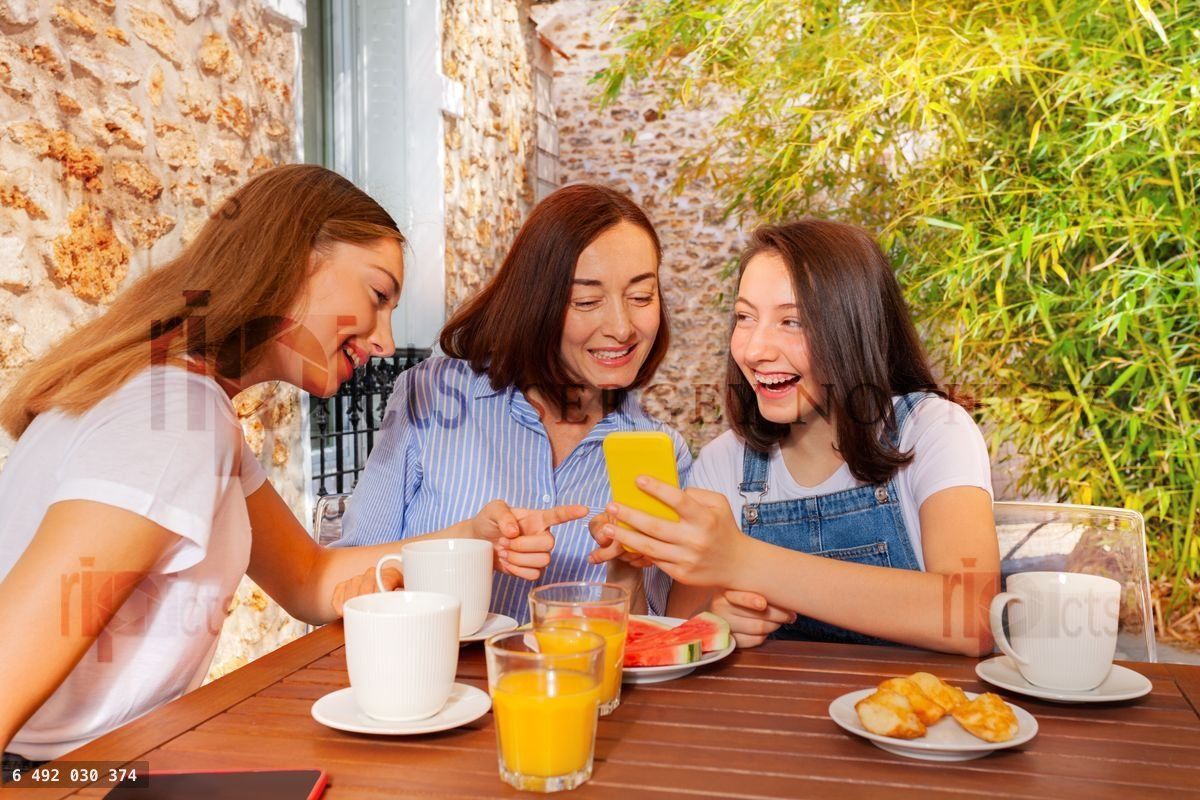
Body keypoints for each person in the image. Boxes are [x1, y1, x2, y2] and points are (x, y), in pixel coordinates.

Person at [0, 165, 574, 768]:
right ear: (292, 259)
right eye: (377, 297)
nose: (385, 340)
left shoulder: (187, 406)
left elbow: (307, 578)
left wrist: (469, 537)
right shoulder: (170, 420)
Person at [593, 219, 999, 655]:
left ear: (853, 329)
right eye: (745, 318)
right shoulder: (722, 463)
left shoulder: (935, 431)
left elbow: (971, 617)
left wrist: (745, 560)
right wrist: (722, 614)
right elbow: (680, 632)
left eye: (792, 321)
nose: (754, 350)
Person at [337, 184, 691, 621]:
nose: (621, 327)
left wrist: (627, 569)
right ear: (536, 302)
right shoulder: (428, 396)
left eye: (641, 297)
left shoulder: (660, 453)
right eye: (586, 301)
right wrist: (460, 554)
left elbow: (647, 649)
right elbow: (348, 584)